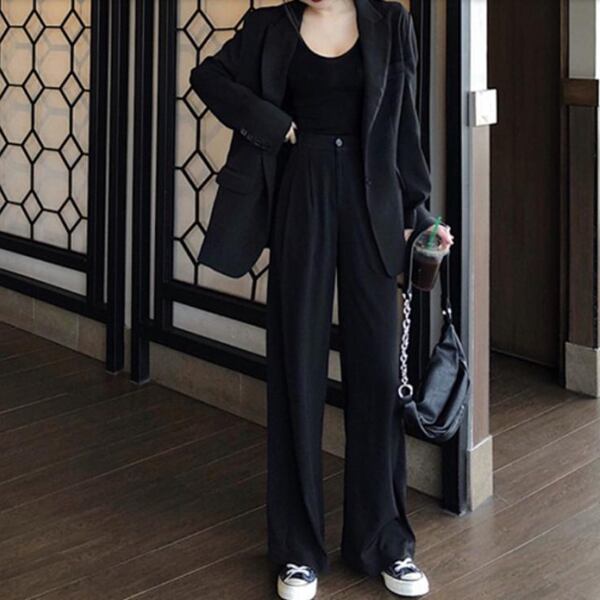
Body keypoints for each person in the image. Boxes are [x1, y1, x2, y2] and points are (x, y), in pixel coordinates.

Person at [190, 1, 454, 598]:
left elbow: (403, 124)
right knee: (297, 370)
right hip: (300, 188)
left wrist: (418, 216)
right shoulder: (270, 25)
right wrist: (271, 123)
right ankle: (297, 550)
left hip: (371, 200)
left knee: (378, 373)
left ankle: (384, 541)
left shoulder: (390, 22)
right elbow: (208, 76)